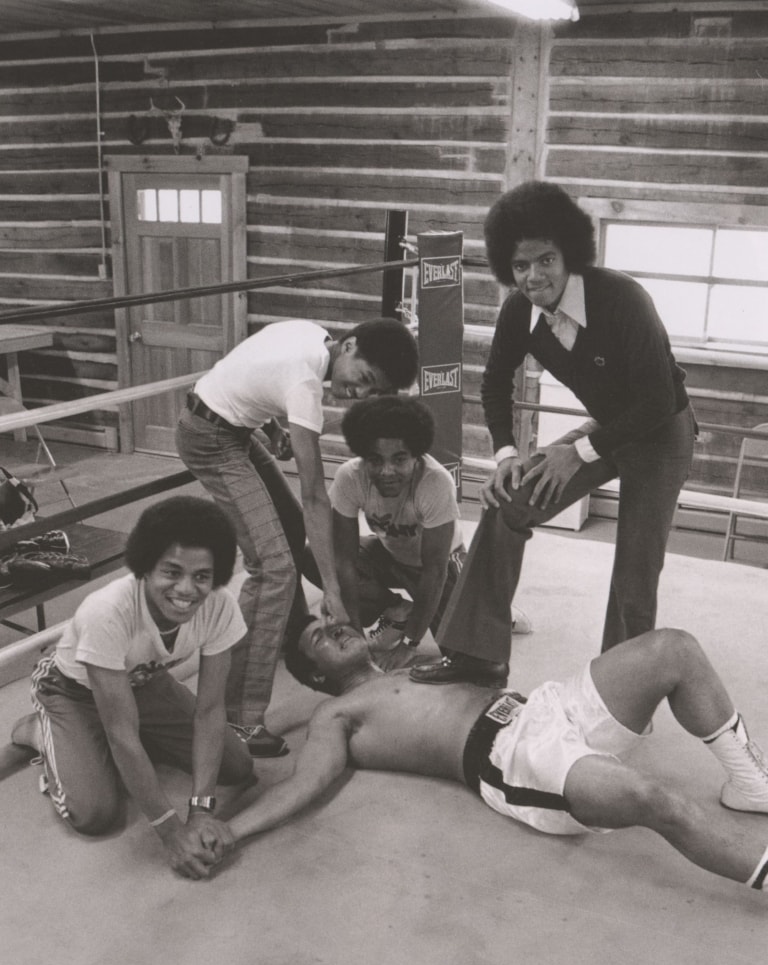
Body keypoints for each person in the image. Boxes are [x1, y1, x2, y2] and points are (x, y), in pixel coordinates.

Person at [209, 618, 768, 893]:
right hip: (510, 755)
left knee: (671, 647)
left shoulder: (412, 662)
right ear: (316, 676)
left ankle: (751, 782)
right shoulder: (336, 714)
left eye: (331, 622)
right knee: (652, 799)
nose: (335, 628)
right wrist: (231, 831)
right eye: (319, 641)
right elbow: (307, 783)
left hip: (544, 705)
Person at [411, 181, 696, 687]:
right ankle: (480, 654)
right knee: (508, 502)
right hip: (608, 427)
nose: (533, 276)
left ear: (570, 254)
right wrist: (505, 456)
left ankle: (621, 687)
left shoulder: (624, 299)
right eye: (520, 266)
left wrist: (577, 452)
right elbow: (495, 383)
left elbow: (657, 401)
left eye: (545, 260)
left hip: (661, 431)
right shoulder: (519, 312)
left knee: (635, 569)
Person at [176, 317, 419, 755]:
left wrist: (271, 428)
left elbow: (245, 372)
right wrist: (332, 591)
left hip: (235, 427)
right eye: (363, 379)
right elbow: (314, 496)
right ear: (349, 347)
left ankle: (287, 640)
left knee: (286, 535)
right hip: (210, 438)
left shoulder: (312, 335)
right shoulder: (306, 384)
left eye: (373, 390)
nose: (359, 394)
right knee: (273, 567)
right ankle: (238, 717)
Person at [9, 496, 255, 880]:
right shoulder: (107, 611)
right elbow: (121, 733)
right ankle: (40, 731)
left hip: (143, 681)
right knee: (93, 814)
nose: (187, 590)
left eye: (202, 576)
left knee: (235, 765)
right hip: (73, 691)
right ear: (145, 567)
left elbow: (210, 710)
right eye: (171, 572)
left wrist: (201, 810)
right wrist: (171, 831)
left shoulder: (220, 606)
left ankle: (121, 739)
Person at [329, 396, 529, 672]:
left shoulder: (435, 481)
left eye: (399, 459)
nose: (387, 471)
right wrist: (355, 639)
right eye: (375, 460)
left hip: (442, 564)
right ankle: (399, 609)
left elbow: (434, 572)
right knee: (314, 556)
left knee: (468, 659)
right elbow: (344, 561)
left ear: (416, 455)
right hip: (390, 555)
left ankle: (495, 609)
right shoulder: (349, 477)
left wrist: (408, 645)